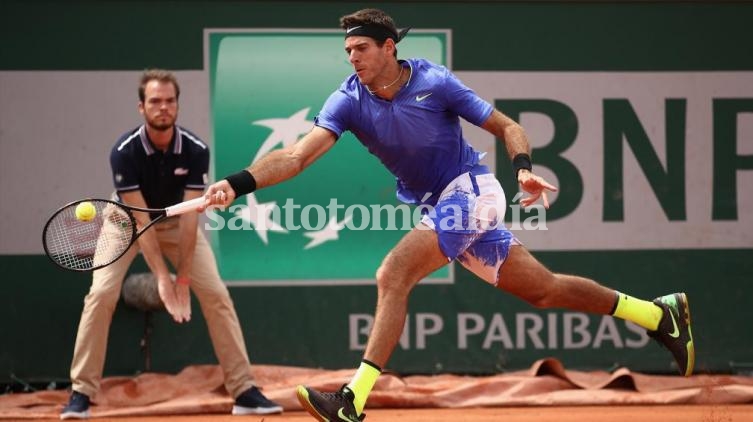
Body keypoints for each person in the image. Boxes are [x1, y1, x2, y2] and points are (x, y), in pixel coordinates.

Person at [200, 8, 695, 422]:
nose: (352, 58)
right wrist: (238, 183)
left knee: (393, 272)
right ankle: (658, 314)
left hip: (474, 192)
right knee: (544, 289)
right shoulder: (347, 99)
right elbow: (296, 156)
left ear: (388, 47)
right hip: (442, 206)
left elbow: (508, 126)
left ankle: (353, 399)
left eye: (361, 49)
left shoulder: (435, 82)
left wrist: (522, 169)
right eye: (348, 51)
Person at [60, 69, 283, 419]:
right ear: (142, 107)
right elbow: (142, 222)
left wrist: (183, 279)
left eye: (169, 101)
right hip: (125, 224)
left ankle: (243, 390)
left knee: (217, 296)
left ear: (177, 105)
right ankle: (81, 393)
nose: (163, 107)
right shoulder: (124, 152)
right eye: (155, 102)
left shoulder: (195, 150)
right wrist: (163, 280)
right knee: (101, 295)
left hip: (179, 226)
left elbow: (193, 215)